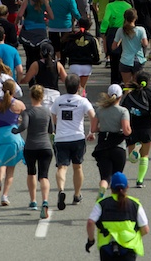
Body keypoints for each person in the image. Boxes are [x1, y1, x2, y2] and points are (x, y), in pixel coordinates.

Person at [52, 73, 95, 211]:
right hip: (77, 137)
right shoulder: (82, 101)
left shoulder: (58, 100)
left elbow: (52, 116)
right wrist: (91, 132)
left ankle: (61, 190)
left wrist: (57, 126)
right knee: (78, 167)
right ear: (78, 87)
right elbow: (93, 117)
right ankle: (77, 195)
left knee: (62, 167)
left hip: (61, 138)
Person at [87, 172, 150, 261]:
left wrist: (91, 240)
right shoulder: (135, 204)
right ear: (127, 187)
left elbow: (90, 222)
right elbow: (145, 229)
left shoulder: (102, 204)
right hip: (129, 246)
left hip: (107, 247)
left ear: (111, 188)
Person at [19, 84, 55, 218]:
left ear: (31, 96)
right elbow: (51, 129)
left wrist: (16, 129)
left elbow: (24, 125)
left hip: (31, 147)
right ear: (42, 97)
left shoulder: (28, 112)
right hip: (45, 147)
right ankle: (45, 201)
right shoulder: (47, 112)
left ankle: (33, 201)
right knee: (44, 176)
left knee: (31, 172)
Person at [91, 84, 131, 199]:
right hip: (118, 147)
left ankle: (103, 188)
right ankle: (116, 200)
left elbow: (93, 129)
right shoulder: (123, 111)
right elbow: (126, 131)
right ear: (121, 96)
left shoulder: (100, 110)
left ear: (108, 95)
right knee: (117, 176)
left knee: (105, 177)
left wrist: (103, 128)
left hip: (103, 146)